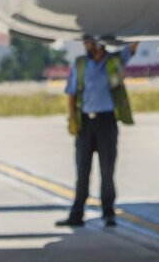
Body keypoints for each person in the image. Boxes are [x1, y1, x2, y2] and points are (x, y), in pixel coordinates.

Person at [57, 36, 132, 228]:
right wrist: (72, 117)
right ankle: (77, 214)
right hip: (86, 123)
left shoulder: (114, 62)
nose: (86, 45)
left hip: (106, 121)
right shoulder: (81, 64)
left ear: (99, 44)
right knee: (82, 171)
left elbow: (131, 48)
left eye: (89, 42)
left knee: (107, 171)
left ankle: (108, 213)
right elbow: (71, 93)